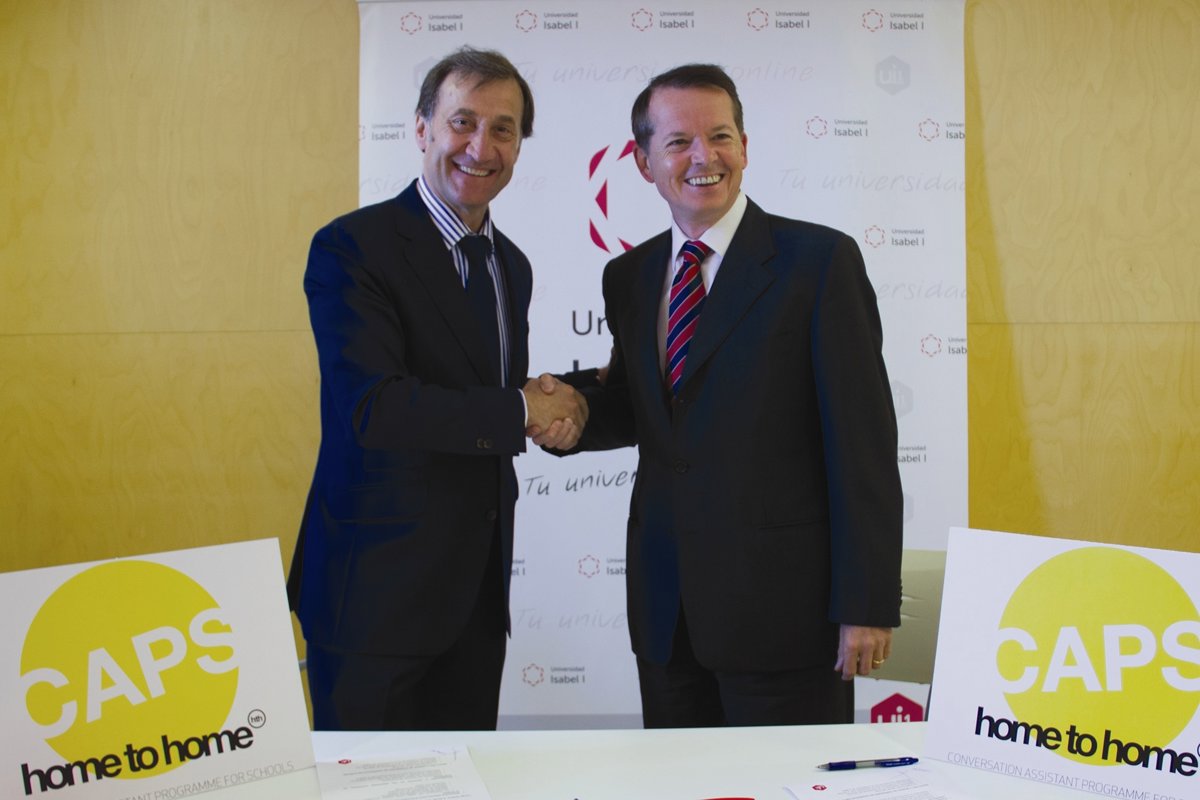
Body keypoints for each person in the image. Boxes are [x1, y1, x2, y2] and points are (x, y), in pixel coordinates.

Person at [537, 64, 903, 727]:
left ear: (745, 146)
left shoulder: (819, 263)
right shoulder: (629, 276)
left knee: (790, 778)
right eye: (679, 142)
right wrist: (566, 413)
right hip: (667, 616)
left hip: (787, 619)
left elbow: (864, 447)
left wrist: (867, 603)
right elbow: (648, 408)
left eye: (721, 136)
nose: (704, 157)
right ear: (644, 162)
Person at [287, 46, 586, 731]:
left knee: (465, 775)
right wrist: (524, 408)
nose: (481, 147)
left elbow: (482, 395)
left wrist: (563, 407)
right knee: (365, 780)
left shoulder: (512, 265)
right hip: (373, 598)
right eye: (462, 122)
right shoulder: (351, 247)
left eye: (503, 129)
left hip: (475, 600)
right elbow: (376, 407)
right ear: (422, 128)